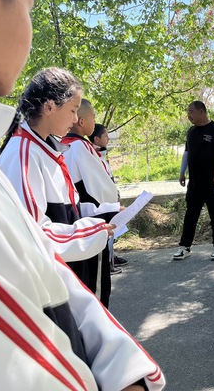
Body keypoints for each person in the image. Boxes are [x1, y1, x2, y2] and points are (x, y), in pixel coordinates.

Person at [0, 0, 164, 388]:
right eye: (27, 7)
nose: (78, 118)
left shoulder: (30, 150)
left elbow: (39, 271)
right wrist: (94, 227)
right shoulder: (19, 155)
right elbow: (39, 253)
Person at [0, 68, 115, 296]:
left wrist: (108, 212)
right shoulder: (24, 154)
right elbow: (35, 235)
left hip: (63, 273)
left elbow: (66, 210)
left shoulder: (46, 148)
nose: (74, 120)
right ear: (50, 107)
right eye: (72, 110)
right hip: (47, 284)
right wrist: (93, 231)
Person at [62, 99, 122, 307]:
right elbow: (101, 188)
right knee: (96, 286)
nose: (95, 121)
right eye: (93, 117)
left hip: (73, 222)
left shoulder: (62, 144)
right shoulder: (81, 147)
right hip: (93, 222)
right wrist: (114, 206)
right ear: (81, 121)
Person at [173, 100, 214, 261]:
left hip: (212, 182)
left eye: (191, 111)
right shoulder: (191, 131)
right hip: (195, 182)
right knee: (191, 215)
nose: (189, 115)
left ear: (202, 112)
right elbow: (186, 153)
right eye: (188, 112)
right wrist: (182, 172)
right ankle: (185, 247)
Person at [89, 122, 129, 274]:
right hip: (102, 203)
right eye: (105, 136)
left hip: (111, 200)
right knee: (107, 230)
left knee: (112, 230)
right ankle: (108, 262)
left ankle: (111, 258)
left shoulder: (101, 154)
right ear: (97, 139)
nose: (108, 138)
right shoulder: (91, 155)